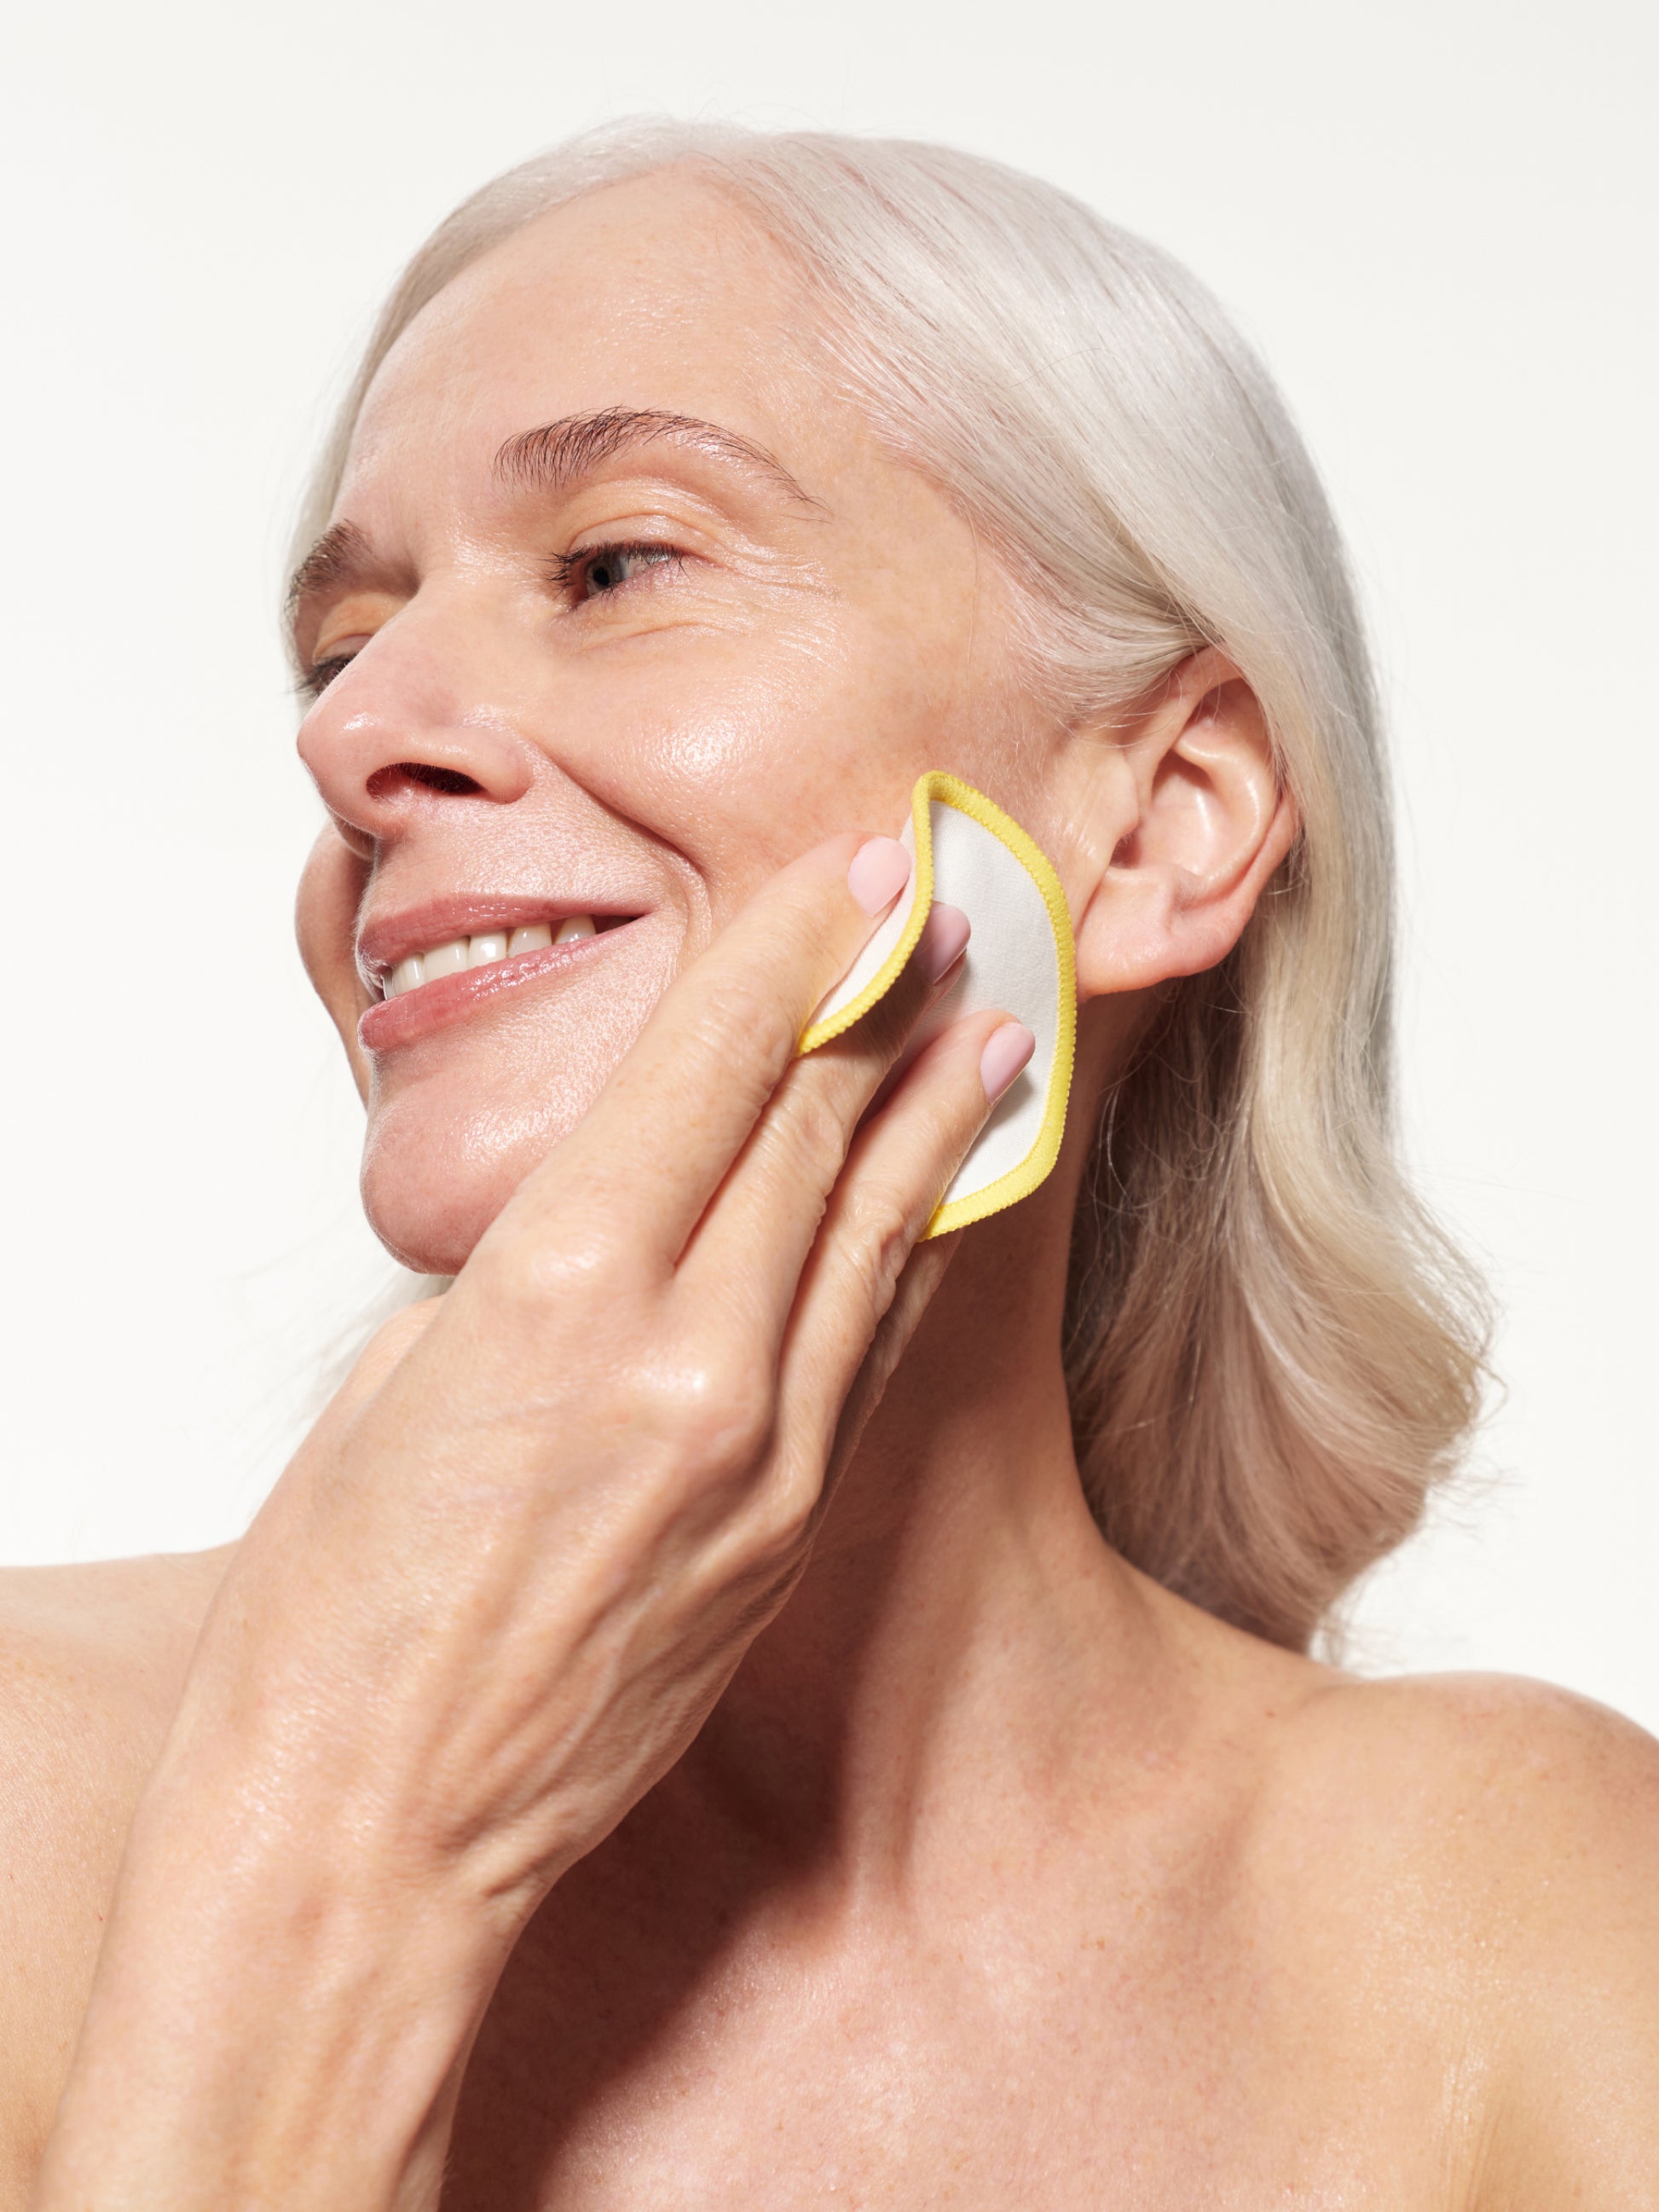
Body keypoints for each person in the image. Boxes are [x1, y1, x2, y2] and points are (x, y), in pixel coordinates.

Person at [4, 120, 1656, 2209]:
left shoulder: (1539, 1918)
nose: (349, 736)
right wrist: (353, 1841)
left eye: (615, 564)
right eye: (342, 647)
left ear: (1163, 820)